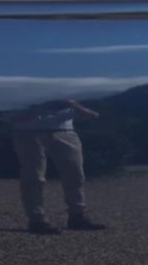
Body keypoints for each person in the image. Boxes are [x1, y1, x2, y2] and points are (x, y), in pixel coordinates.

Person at [12, 98, 107, 234]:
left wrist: (73, 105)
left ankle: (77, 216)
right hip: (29, 133)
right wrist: (41, 109)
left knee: (75, 175)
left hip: (65, 132)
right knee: (34, 177)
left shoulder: (69, 96)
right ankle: (37, 220)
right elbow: (13, 119)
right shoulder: (21, 92)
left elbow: (94, 115)